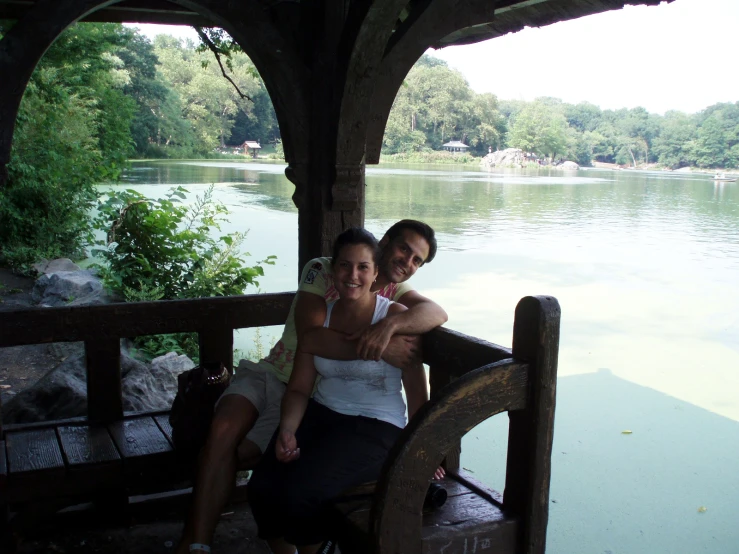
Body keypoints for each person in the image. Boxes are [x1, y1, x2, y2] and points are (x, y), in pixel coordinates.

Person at [177, 220, 447, 554]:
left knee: (261, 469)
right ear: (386, 242)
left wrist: (389, 327)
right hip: (283, 378)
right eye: (405, 249)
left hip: (347, 413)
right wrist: (373, 345)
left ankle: (309, 543)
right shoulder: (321, 270)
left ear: (373, 272)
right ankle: (195, 543)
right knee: (227, 437)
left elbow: (436, 313)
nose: (407, 262)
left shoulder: (396, 299)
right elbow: (312, 336)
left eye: (417, 260)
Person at [247, 228, 439, 554]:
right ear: (332, 270)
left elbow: (418, 393)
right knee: (262, 487)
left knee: (303, 491)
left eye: (363, 267)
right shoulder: (321, 319)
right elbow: (298, 390)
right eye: (345, 266)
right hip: (321, 413)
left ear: (376, 272)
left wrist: (423, 449)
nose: (353, 275)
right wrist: (288, 431)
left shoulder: (395, 317)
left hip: (377, 425)